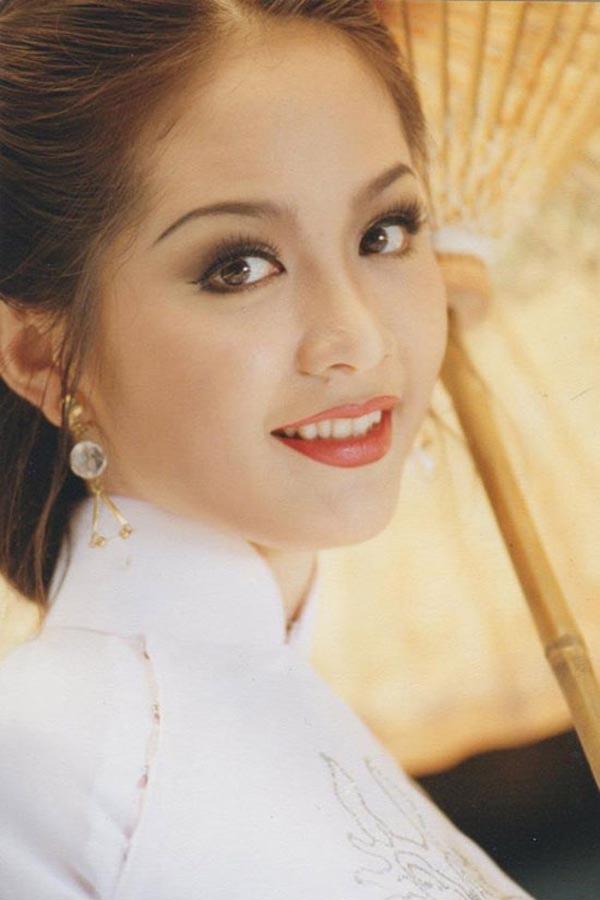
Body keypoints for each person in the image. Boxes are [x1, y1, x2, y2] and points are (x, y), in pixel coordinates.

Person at [0, 1, 534, 897]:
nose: (357, 337)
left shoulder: (303, 721)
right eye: (240, 267)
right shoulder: (50, 758)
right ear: (41, 358)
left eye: (383, 233)